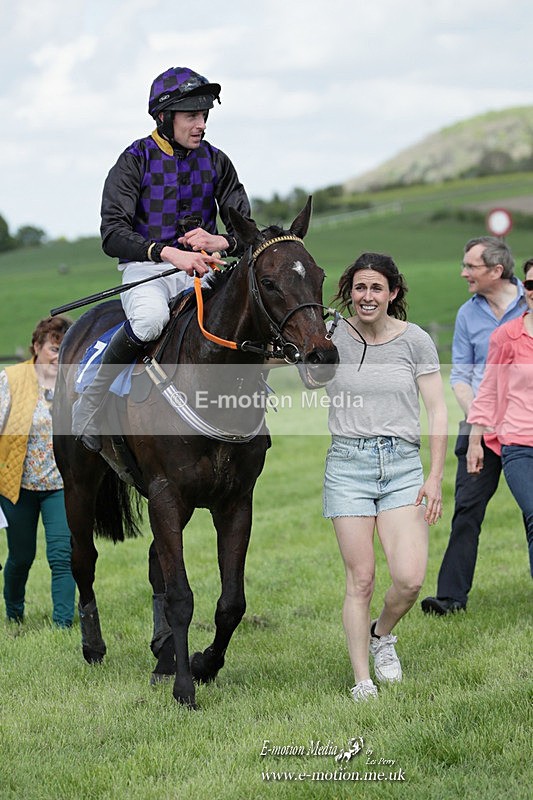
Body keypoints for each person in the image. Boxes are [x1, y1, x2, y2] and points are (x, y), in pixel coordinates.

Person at [72, 66, 252, 452]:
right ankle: (92, 400)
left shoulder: (218, 162)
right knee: (152, 321)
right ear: (164, 118)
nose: (201, 124)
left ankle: (249, 408)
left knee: (242, 311)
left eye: (204, 116)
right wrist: (167, 252)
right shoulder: (134, 160)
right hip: (148, 270)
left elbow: (246, 231)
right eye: (192, 116)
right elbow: (113, 234)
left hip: (204, 270)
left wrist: (220, 239)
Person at [323, 253, 448, 702]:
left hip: (401, 467)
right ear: (349, 292)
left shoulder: (414, 340)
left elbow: (436, 409)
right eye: (359, 288)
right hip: (348, 466)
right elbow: (304, 371)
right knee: (361, 579)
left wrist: (434, 477)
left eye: (377, 288)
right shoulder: (333, 334)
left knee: (410, 579)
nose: (367, 296)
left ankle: (382, 635)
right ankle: (362, 681)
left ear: (393, 292)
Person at [421, 237, 527, 616]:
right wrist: (479, 420)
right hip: (479, 426)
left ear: (496, 271)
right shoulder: (468, 313)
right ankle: (450, 598)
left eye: (471, 266)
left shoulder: (529, 303)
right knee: (467, 509)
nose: (464, 272)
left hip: (526, 424)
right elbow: (461, 375)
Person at [0, 316, 76, 627]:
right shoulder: (11, 379)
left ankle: (63, 624)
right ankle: (14, 614)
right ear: (37, 347)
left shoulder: (74, 381)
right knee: (20, 557)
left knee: (62, 556)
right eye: (55, 349)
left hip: (60, 484)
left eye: (65, 350)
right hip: (17, 484)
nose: (60, 357)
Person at [466, 257, 533, 577]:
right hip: (519, 444)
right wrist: (475, 440)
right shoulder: (507, 336)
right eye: (530, 285)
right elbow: (489, 392)